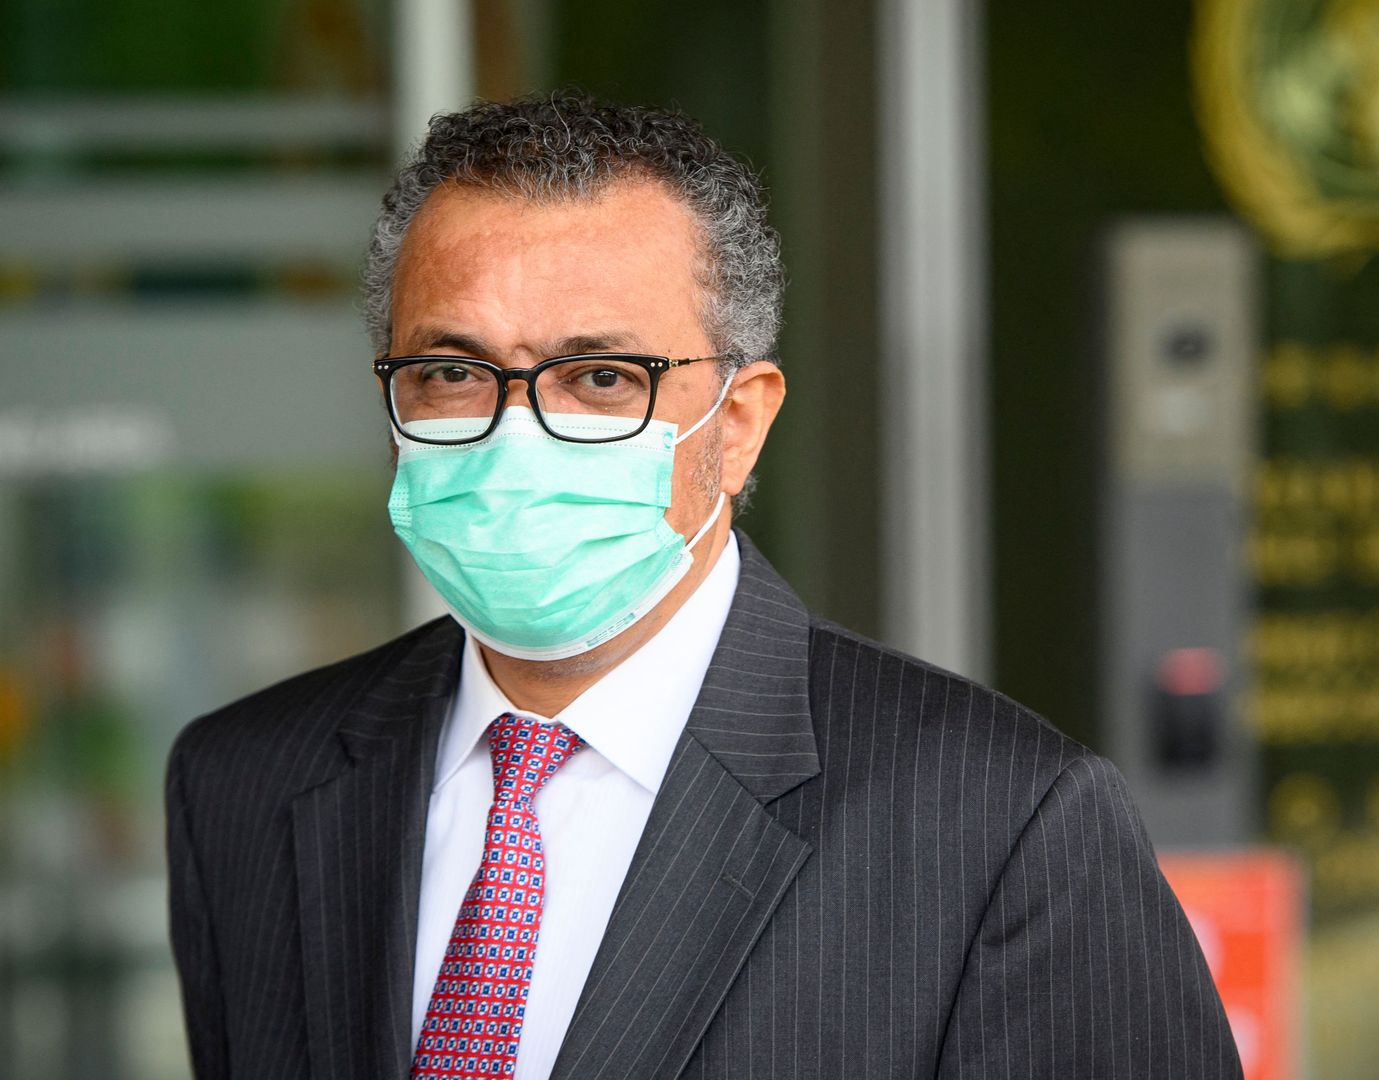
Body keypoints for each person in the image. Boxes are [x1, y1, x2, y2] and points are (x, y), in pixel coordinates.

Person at [164, 91, 1240, 1080]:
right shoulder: (244, 786)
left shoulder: (1002, 827)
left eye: (600, 378)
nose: (516, 430)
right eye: (453, 372)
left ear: (737, 424)